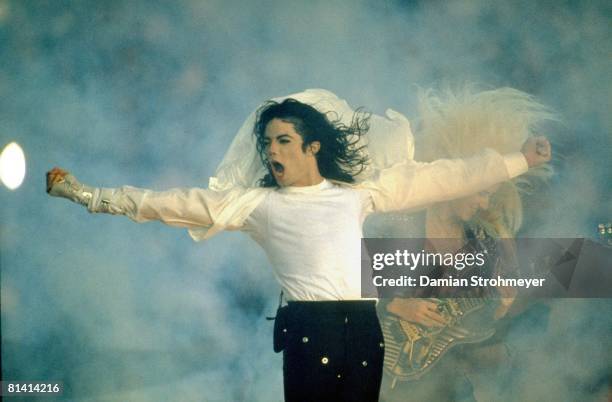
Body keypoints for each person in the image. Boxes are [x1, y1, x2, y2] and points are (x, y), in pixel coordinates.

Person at [46, 89, 551, 402]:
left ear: (312, 146)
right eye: (266, 143)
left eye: (282, 140)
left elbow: (447, 177)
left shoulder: (360, 195)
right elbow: (166, 203)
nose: (270, 150)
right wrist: (85, 193)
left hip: (364, 332)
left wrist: (519, 161)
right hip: (313, 332)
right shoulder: (256, 204)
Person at [376, 87, 556, 401]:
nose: (485, 203)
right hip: (385, 371)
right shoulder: (398, 222)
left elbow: (475, 327)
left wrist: (501, 307)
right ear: (460, 180)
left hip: (446, 378)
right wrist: (396, 304)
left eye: (491, 195)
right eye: (482, 192)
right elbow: (343, 294)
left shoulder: (484, 245)